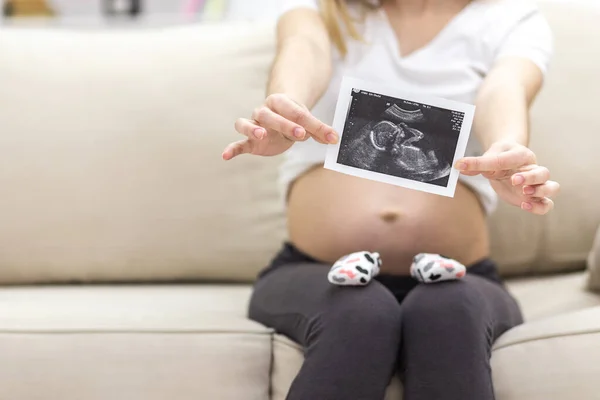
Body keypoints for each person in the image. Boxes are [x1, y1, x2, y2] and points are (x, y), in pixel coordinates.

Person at [222, 0, 560, 399]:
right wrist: (286, 103)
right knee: (361, 311)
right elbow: (304, 48)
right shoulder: (321, 8)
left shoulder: (510, 19)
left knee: (448, 310)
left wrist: (506, 145)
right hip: (311, 270)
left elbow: (504, 87)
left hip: (463, 277)